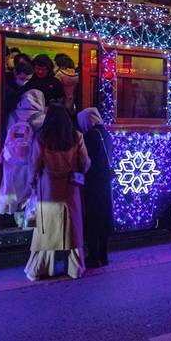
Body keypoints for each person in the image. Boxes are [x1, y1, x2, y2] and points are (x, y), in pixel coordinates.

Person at [25, 105, 91, 281]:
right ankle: (75, 268)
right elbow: (85, 163)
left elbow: (34, 163)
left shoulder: (42, 136)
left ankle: (39, 268)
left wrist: (31, 182)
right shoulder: (76, 136)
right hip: (71, 186)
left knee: (46, 229)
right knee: (72, 228)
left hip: (48, 187)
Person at [0, 89, 46, 223]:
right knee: (29, 190)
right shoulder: (42, 118)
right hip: (30, 158)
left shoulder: (12, 115)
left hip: (11, 158)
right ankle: (27, 220)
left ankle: (12, 215)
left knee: (12, 187)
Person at [78, 108, 113, 268]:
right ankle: (103, 256)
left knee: (93, 220)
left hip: (93, 182)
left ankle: (93, 256)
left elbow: (86, 161)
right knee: (103, 218)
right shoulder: (106, 134)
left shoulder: (90, 136)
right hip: (105, 181)